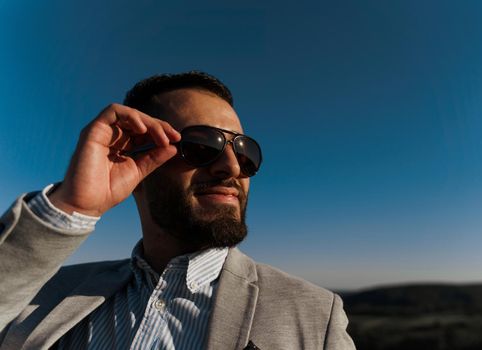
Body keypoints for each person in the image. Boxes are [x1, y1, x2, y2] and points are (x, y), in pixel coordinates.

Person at [0, 71, 356, 349]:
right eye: (202, 145)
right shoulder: (44, 292)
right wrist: (73, 206)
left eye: (244, 151)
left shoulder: (314, 314)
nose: (232, 168)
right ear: (133, 157)